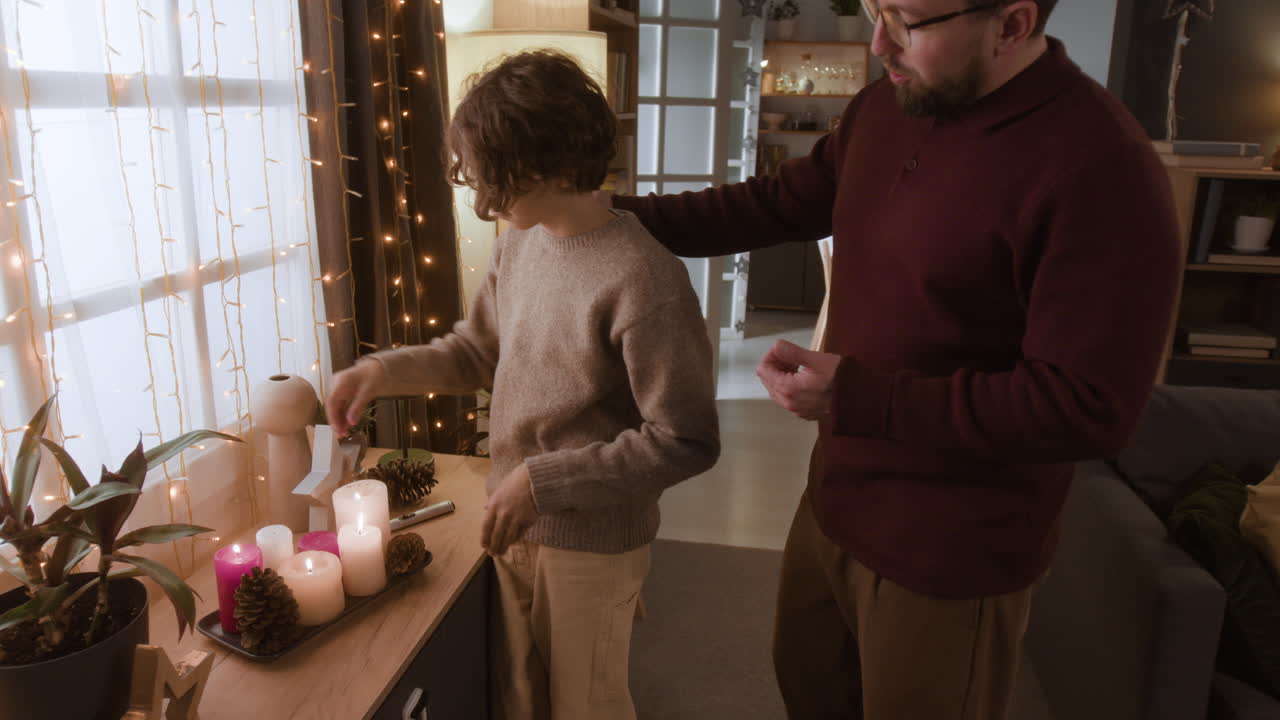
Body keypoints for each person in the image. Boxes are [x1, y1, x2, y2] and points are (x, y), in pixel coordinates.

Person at [609, 0, 1182, 718]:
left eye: (908, 19)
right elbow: (773, 204)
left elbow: (1086, 408)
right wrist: (608, 221)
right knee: (809, 692)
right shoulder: (888, 103)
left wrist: (861, 397)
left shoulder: (1103, 168)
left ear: (1011, 23)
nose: (877, 41)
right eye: (873, 6)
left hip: (952, 553)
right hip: (833, 504)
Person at [325, 49, 719, 720]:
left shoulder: (643, 280)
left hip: (591, 545)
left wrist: (545, 482)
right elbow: (477, 352)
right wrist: (383, 370)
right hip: (508, 522)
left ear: (545, 162)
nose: (477, 190)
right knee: (515, 697)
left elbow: (685, 440)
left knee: (585, 706)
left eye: (487, 173)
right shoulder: (519, 243)